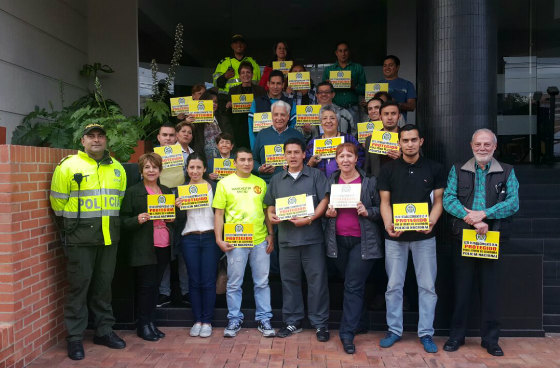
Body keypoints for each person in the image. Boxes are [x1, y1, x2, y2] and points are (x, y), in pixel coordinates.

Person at [50, 123, 127, 360]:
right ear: (82, 141)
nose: (96, 140)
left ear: (106, 141)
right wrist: (74, 227)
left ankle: (104, 331)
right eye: (91, 136)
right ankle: (74, 338)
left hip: (108, 238)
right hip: (79, 238)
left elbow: (119, 200)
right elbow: (57, 204)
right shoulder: (68, 166)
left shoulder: (118, 168)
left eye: (100, 136)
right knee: (78, 288)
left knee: (104, 288)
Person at [442, 129, 519, 357]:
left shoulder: (507, 171)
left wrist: (485, 214)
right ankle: (456, 336)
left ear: (495, 147)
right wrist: (474, 220)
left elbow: (513, 203)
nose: (482, 148)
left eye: (487, 144)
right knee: (461, 289)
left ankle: (491, 339)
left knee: (490, 290)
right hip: (464, 237)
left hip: (493, 237)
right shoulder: (458, 169)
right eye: (478, 144)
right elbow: (448, 199)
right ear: (471, 145)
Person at [377, 124, 445, 353]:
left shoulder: (434, 168)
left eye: (413, 140)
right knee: (394, 286)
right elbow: (384, 203)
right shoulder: (388, 170)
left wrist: (432, 221)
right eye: (405, 140)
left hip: (425, 237)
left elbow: (438, 201)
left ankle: (426, 333)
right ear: (399, 142)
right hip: (395, 237)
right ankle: (394, 330)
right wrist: (388, 225)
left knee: (427, 286)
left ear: (421, 141)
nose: (409, 144)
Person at [265, 138, 330, 342]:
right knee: (289, 282)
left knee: (317, 282)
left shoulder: (316, 175)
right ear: (284, 155)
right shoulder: (277, 179)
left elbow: (325, 201)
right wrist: (271, 216)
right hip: (287, 240)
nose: (292, 156)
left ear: (304, 155)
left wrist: (309, 219)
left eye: (296, 152)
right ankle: (293, 321)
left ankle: (320, 324)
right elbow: (270, 205)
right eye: (289, 152)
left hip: (312, 239)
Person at [325, 142, 383, 354]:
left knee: (352, 285)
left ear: (357, 159)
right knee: (352, 285)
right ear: (336, 160)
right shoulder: (330, 181)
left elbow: (381, 209)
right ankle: (362, 322)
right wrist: (327, 214)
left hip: (363, 242)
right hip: (338, 242)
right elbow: (322, 210)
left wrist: (368, 211)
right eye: (342, 156)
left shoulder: (368, 182)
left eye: (350, 156)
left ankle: (347, 334)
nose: (346, 159)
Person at [213, 147, 276, 338]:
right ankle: (234, 319)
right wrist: (218, 239)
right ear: (235, 163)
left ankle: (264, 319)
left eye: (249, 159)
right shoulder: (224, 184)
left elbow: (267, 211)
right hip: (236, 241)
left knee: (262, 283)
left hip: (259, 240)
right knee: (234, 283)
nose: (247, 163)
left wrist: (270, 234)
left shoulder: (260, 183)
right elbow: (219, 213)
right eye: (242, 160)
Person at [120, 153, 175, 342]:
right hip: (144, 246)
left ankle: (152, 323)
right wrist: (137, 219)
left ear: (160, 170)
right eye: (147, 167)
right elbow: (122, 222)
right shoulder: (133, 192)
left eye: (155, 167)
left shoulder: (166, 191)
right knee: (146, 287)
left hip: (164, 243)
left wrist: (172, 217)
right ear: (141, 171)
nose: (151, 171)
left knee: (155, 287)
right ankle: (143, 325)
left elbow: (172, 219)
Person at [177, 153, 220, 338]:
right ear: (187, 169)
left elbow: (220, 214)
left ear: (204, 169)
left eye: (198, 167)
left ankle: (207, 320)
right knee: (194, 281)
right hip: (190, 238)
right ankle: (197, 320)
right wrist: (176, 207)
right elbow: (175, 220)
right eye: (191, 167)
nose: (195, 171)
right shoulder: (180, 191)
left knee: (209, 281)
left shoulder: (215, 187)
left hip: (211, 237)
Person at [156, 123, 190, 309]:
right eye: (165, 135)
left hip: (183, 206)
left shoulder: (185, 157)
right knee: (164, 251)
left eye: (171, 135)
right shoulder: (153, 158)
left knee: (183, 250)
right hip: (160, 207)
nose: (168, 138)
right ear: (159, 138)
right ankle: (164, 293)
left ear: (175, 137)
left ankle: (186, 292)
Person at [305, 104, 364, 178]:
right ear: (321, 122)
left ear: (338, 121)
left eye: (332, 118)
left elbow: (361, 157)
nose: (328, 121)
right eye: (325, 118)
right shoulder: (313, 143)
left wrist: (349, 168)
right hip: (319, 184)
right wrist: (311, 163)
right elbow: (304, 168)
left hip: (344, 181)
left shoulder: (348, 139)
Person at [253, 100, 305, 183]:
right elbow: (253, 160)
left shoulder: (297, 135)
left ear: (288, 117)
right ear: (272, 116)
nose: (279, 118)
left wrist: (295, 166)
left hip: (293, 182)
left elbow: (305, 160)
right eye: (276, 114)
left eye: (283, 115)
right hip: (268, 183)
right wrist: (260, 169)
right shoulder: (262, 134)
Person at [322, 41, 367, 131]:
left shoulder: (357, 68)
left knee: (354, 134)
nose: (343, 53)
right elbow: (323, 93)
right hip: (334, 108)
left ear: (349, 52)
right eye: (340, 51)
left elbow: (365, 89)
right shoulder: (329, 70)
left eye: (345, 51)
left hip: (353, 108)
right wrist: (328, 87)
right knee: (335, 134)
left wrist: (353, 86)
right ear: (336, 53)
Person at [248, 70, 296, 149]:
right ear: (268, 84)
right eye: (273, 83)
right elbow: (251, 127)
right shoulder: (257, 102)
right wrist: (255, 149)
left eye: (278, 83)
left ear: (283, 85)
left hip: (284, 148)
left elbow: (293, 126)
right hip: (262, 147)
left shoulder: (290, 103)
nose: (275, 87)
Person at [227, 61, 266, 149]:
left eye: (248, 72)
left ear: (252, 74)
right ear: (239, 75)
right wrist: (228, 105)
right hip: (239, 128)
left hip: (256, 127)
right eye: (243, 73)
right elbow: (228, 113)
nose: (245, 75)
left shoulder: (261, 90)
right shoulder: (233, 91)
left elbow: (265, 107)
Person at [363, 101, 402, 177]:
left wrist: (403, 157)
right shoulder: (370, 139)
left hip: (401, 182)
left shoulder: (408, 137)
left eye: (393, 113)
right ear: (380, 117)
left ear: (399, 116)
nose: (390, 118)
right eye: (386, 114)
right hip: (378, 183)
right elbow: (367, 168)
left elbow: (419, 162)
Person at [379, 55, 417, 121]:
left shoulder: (407, 84)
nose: (387, 68)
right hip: (380, 123)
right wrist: (367, 104)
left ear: (397, 67)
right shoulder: (377, 85)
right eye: (385, 66)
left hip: (399, 123)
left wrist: (395, 103)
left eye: (390, 65)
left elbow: (412, 106)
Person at [192, 90, 223, 160]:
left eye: (216, 102)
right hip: (203, 160)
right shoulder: (195, 120)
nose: (214, 104)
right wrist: (186, 122)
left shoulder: (222, 119)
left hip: (221, 161)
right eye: (211, 102)